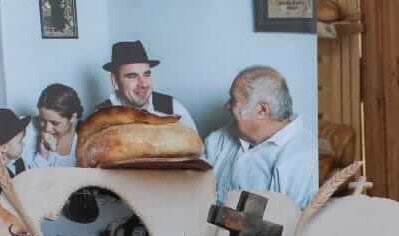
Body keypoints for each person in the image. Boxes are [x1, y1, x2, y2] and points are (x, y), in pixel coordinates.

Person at [204, 65, 318, 209]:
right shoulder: (220, 139)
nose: (226, 106)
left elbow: (287, 225)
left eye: (233, 100)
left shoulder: (301, 156)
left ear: (262, 110)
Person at [96, 40, 198, 133]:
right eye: (132, 76)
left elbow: (198, 150)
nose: (143, 84)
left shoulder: (172, 107)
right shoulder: (101, 117)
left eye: (146, 74)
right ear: (115, 81)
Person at [22, 83, 83, 169]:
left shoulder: (86, 142)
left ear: (73, 117)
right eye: (42, 120)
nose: (47, 129)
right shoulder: (26, 134)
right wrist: (42, 156)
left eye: (55, 123)